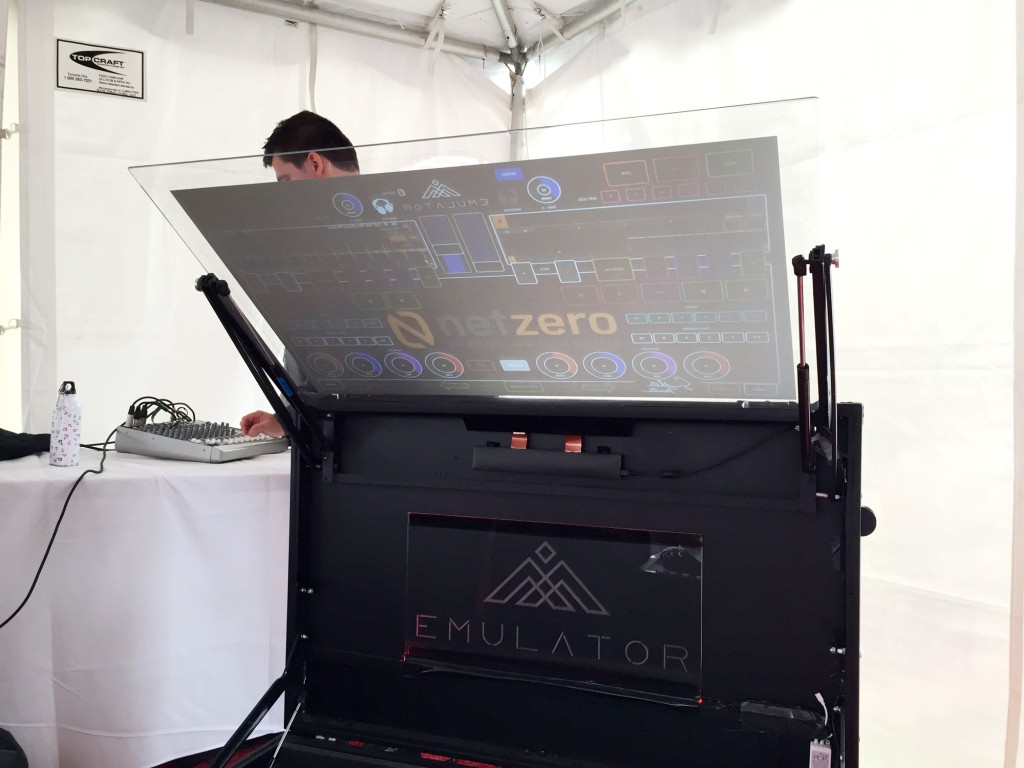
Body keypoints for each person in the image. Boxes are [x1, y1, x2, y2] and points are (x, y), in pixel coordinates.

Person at [239, 112, 360, 438]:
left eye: (286, 181)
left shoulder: (329, 242)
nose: (284, 196)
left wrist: (293, 415)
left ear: (315, 163)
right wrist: (287, 417)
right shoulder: (322, 237)